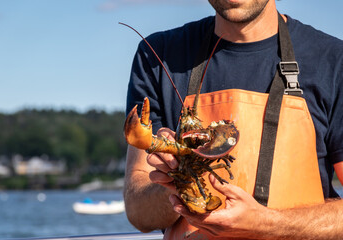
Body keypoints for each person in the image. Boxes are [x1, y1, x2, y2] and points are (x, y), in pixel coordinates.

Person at [124, 0, 343, 239]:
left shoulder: (333, 61)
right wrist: (179, 178)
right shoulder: (157, 57)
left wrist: (267, 224)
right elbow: (139, 212)